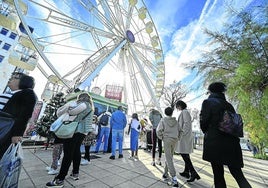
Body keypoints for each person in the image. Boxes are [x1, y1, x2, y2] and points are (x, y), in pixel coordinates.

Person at [200, 82, 251, 188]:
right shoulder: (229, 105)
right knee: (238, 175)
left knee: (218, 175)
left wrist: (208, 132)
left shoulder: (208, 102)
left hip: (215, 142)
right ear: (222, 91)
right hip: (232, 142)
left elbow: (203, 122)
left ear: (210, 91)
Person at [46, 92, 94, 187]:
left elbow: (72, 112)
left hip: (74, 131)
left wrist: (68, 106)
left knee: (68, 154)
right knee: (76, 152)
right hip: (82, 132)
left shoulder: (84, 104)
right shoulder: (91, 106)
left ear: (81, 98)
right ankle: (75, 173)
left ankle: (60, 179)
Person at [0, 72, 37, 159]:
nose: (10, 79)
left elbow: (25, 115)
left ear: (24, 82)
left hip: (6, 130)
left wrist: (17, 134)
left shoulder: (28, 93)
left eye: (14, 78)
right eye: (11, 77)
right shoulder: (14, 93)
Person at [175, 100, 200, 182]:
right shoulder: (185, 112)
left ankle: (193, 172)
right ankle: (186, 172)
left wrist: (181, 134)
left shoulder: (185, 112)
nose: (177, 108)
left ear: (180, 105)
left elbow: (186, 124)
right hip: (186, 136)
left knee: (183, 153)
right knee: (185, 154)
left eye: (177, 106)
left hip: (184, 137)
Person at [156, 107, 180, 188]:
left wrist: (162, 137)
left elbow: (158, 131)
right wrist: (177, 138)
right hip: (174, 140)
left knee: (169, 158)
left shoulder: (163, 120)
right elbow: (181, 131)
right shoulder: (176, 122)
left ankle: (174, 179)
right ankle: (165, 174)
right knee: (169, 157)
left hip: (167, 139)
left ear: (165, 113)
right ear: (172, 113)